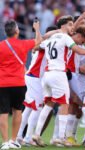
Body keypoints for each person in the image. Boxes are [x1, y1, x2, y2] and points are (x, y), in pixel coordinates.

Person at [32, 15, 85, 147]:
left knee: (49, 104)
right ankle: (61, 137)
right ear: (63, 26)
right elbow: (79, 50)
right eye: (70, 25)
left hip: (47, 74)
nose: (72, 27)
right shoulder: (65, 38)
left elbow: (36, 47)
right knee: (64, 104)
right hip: (58, 74)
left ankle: (36, 134)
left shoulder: (52, 38)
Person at [0, 19, 41, 149]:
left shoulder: (1, 46)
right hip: (19, 83)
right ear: (17, 31)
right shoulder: (23, 44)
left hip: (3, 83)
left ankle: (5, 142)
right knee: (18, 111)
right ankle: (13, 140)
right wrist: (37, 28)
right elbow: (38, 41)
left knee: (3, 113)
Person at [16, 25, 58, 147]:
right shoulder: (47, 44)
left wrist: (37, 29)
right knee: (37, 108)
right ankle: (28, 137)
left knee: (29, 108)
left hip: (32, 77)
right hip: (35, 78)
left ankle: (19, 136)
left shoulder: (44, 43)